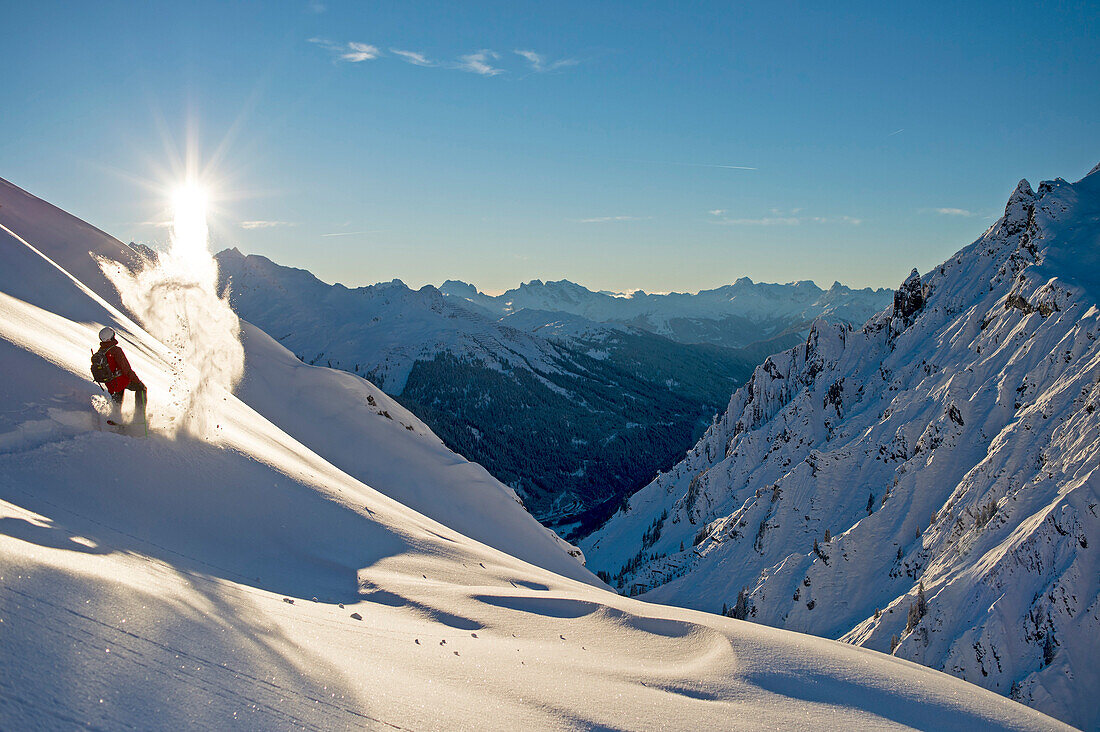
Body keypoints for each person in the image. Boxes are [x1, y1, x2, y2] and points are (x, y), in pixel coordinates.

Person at [92, 327, 147, 427]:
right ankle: (139, 417)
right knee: (141, 388)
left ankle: (116, 418)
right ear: (111, 337)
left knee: (117, 396)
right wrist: (136, 380)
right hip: (120, 381)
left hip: (110, 384)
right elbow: (126, 368)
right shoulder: (116, 350)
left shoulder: (101, 351)